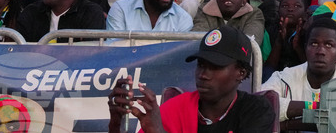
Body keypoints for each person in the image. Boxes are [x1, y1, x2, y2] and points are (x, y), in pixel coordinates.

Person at [107, 26, 275, 133]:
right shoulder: (175, 108)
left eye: (215, 66)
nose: (203, 74)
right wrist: (116, 124)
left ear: (241, 73)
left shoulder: (257, 110)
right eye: (201, 65)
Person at [260, 17, 336, 131]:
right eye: (314, 44)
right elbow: (260, 105)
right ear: (305, 47)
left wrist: (286, 125)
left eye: (328, 45)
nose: (320, 51)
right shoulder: (285, 77)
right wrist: (318, 105)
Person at [193, 0, 265, 43]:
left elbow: (251, 42)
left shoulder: (254, 14)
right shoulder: (204, 10)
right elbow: (196, 40)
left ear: (244, 1)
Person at [266, 0, 309, 74]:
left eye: (297, 6)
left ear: (305, 13)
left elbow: (311, 69)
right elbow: (268, 69)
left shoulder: (308, 32)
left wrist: (297, 47)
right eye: (285, 6)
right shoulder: (270, 30)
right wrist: (279, 41)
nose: (290, 9)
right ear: (278, 11)